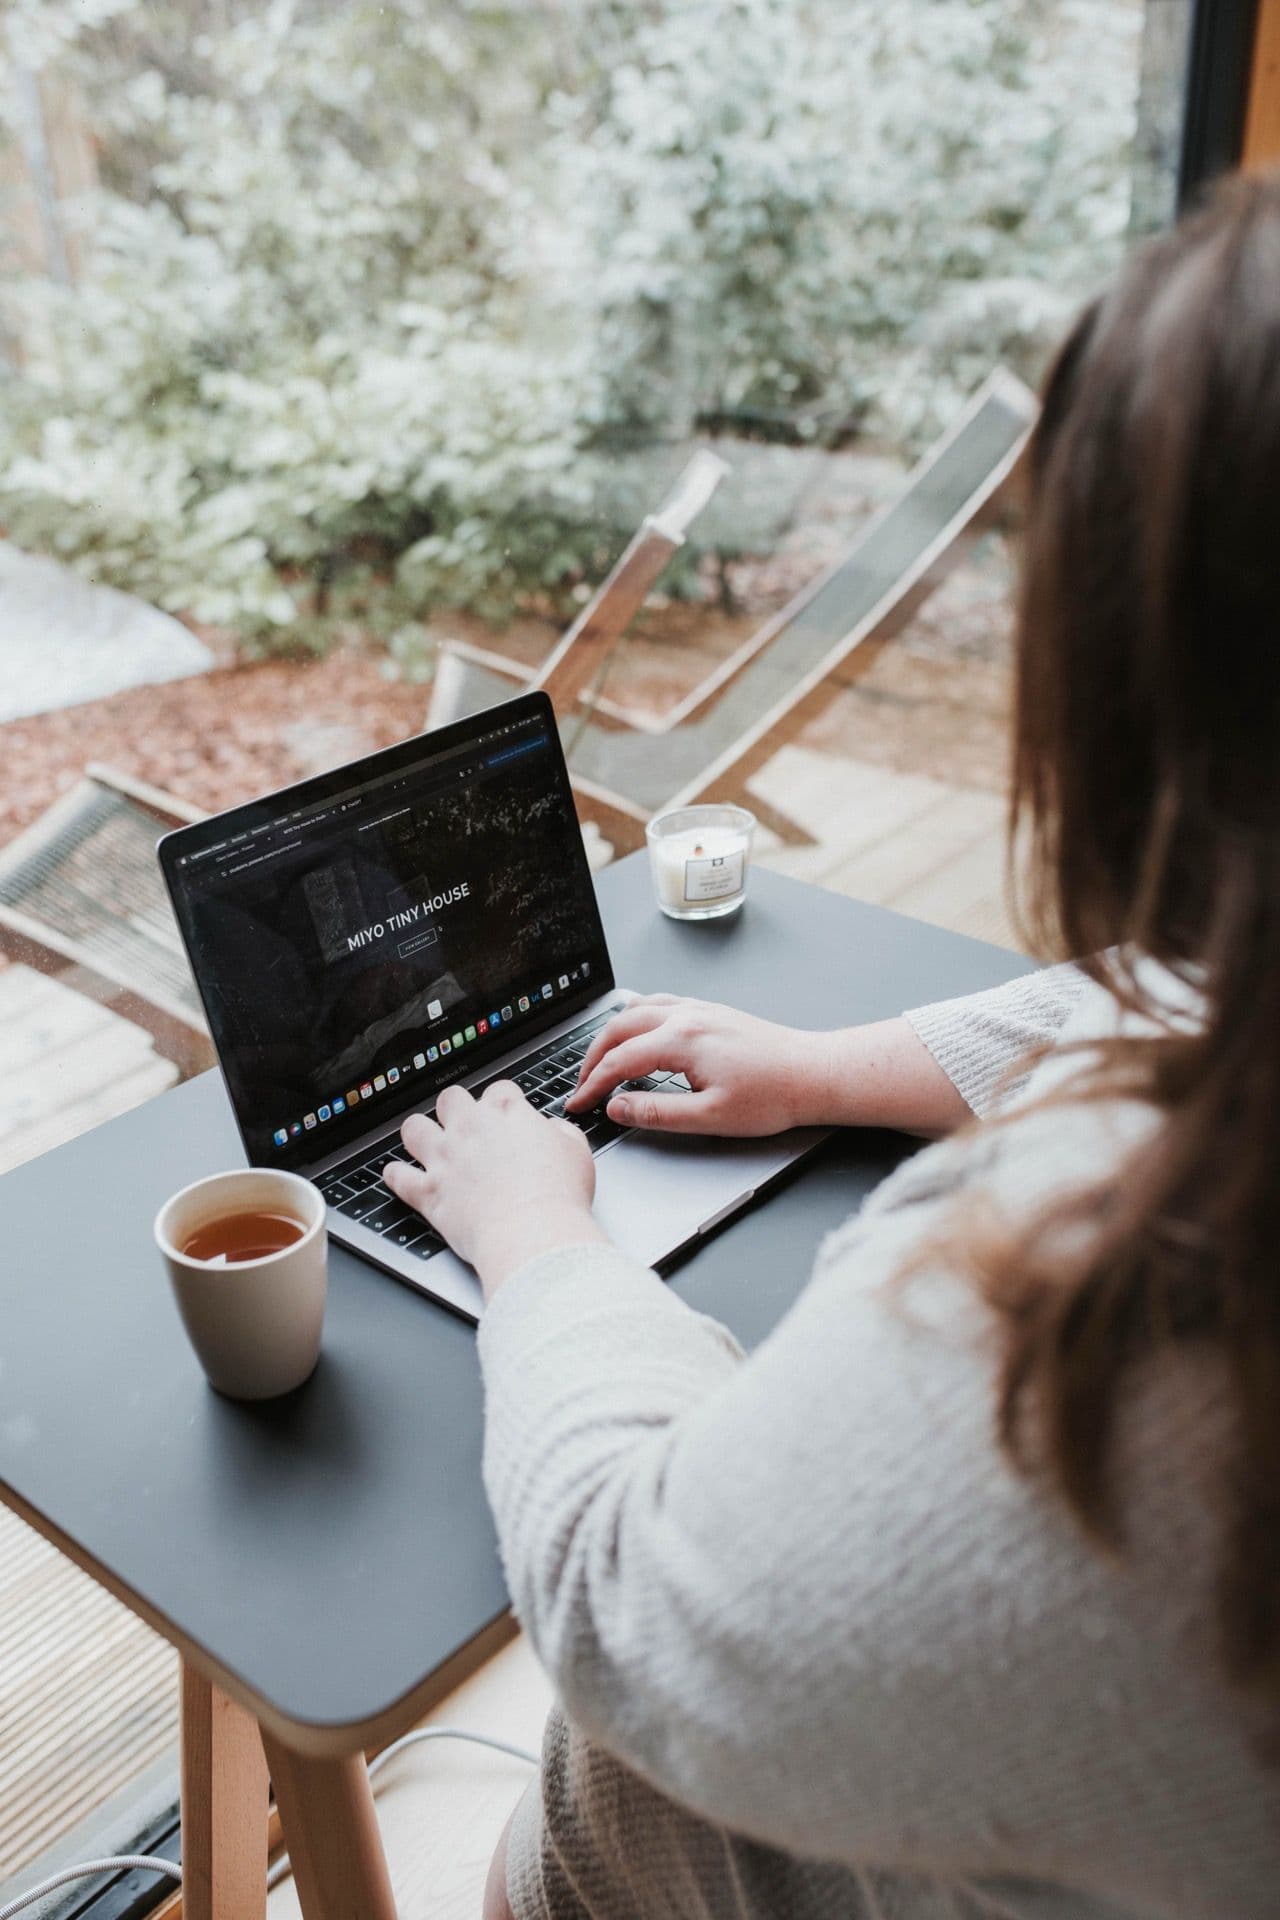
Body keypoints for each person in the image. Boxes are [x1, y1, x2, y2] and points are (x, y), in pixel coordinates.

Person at [383, 173, 1280, 1919]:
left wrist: (538, 1238)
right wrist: (836, 1071)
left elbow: (627, 1603)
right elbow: (1194, 991)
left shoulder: (1100, 1326)